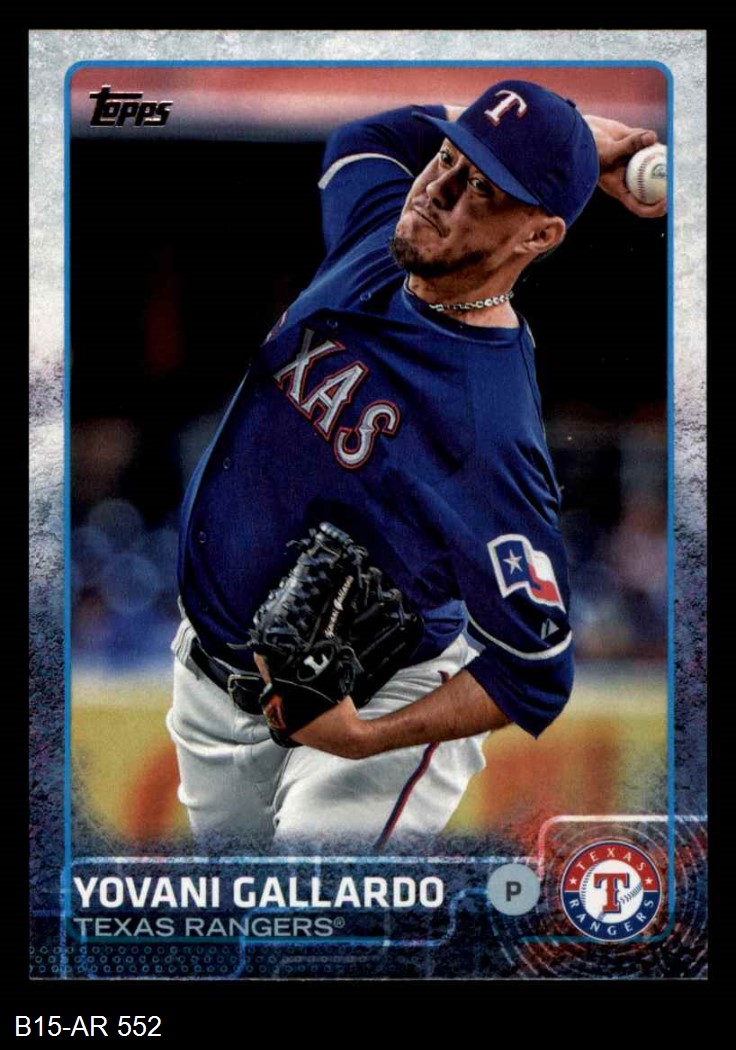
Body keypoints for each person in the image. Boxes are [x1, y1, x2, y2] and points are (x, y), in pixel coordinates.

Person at [166, 80, 665, 851]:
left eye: (483, 188)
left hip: (375, 697)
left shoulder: (489, 427)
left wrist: (369, 736)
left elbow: (534, 668)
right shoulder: (379, 232)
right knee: (233, 920)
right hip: (208, 686)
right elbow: (367, 136)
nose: (439, 189)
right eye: (448, 158)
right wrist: (577, 137)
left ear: (537, 236)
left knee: (314, 916)